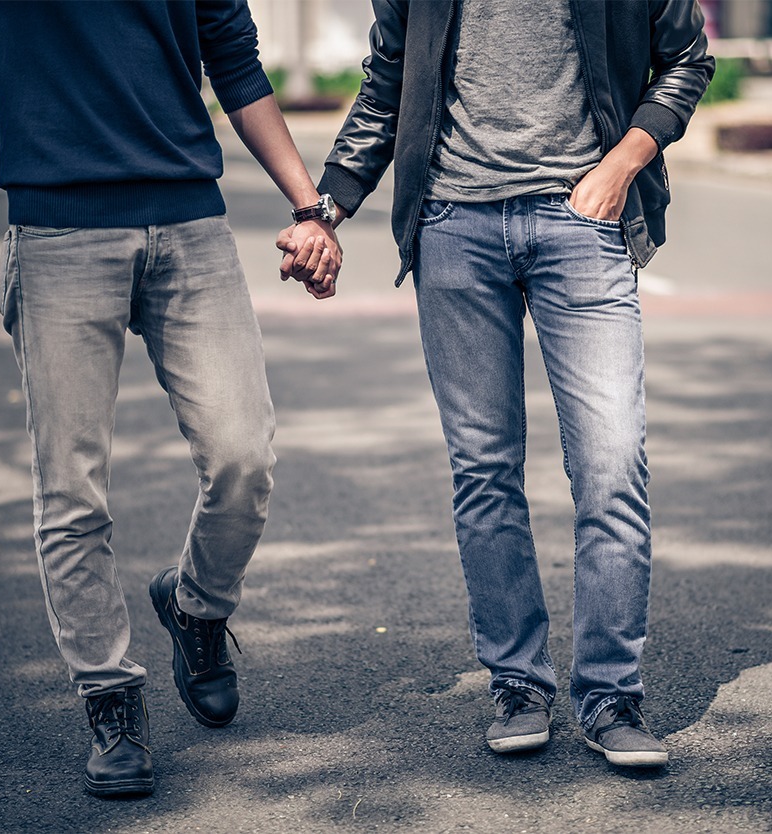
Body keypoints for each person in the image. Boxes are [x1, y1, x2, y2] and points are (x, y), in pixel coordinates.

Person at [0, 0, 340, 798]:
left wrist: (308, 207)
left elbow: (235, 61)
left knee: (243, 456)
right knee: (72, 490)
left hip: (189, 222)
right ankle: (109, 698)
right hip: (56, 232)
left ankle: (197, 608)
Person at [280, 0, 712, 767]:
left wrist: (619, 167)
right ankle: (518, 682)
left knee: (611, 465)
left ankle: (611, 696)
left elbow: (685, 60)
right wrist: (325, 209)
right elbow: (389, 82)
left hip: (581, 222)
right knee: (484, 470)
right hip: (454, 227)